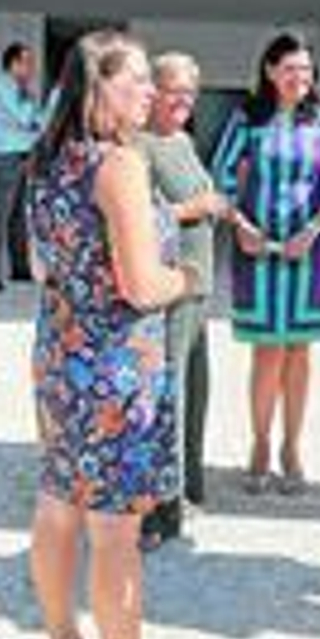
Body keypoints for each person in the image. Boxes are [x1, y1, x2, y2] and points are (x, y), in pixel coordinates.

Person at [25, 30, 201, 639]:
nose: (151, 93)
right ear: (101, 88)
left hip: (60, 353)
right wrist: (187, 277)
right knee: (116, 536)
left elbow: (41, 266)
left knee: (58, 502)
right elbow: (141, 282)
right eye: (137, 82)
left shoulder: (48, 160)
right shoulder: (118, 165)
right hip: (115, 367)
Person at [212, 33, 320, 495]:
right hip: (256, 251)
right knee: (266, 351)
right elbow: (219, 180)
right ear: (270, 71)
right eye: (291, 68)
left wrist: (311, 231)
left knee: (299, 351)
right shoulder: (246, 121)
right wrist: (240, 225)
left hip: (309, 253)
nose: (301, 78)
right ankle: (259, 445)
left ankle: (292, 447)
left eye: (307, 70)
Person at [137, 52, 229, 547]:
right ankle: (161, 505)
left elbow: (202, 196)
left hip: (199, 289)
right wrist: (195, 208)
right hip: (169, 290)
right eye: (174, 91)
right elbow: (137, 220)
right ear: (152, 90)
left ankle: (189, 484)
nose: (183, 101)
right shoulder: (139, 145)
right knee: (167, 394)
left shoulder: (183, 140)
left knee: (196, 389)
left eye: (191, 93)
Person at [0, 42, 44, 291]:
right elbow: (26, 119)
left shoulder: (21, 89)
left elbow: (34, 121)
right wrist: (35, 112)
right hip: (4, 157)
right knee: (0, 215)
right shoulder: (2, 87)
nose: (31, 67)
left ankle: (20, 268)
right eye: (27, 61)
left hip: (22, 154)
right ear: (14, 63)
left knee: (19, 216)